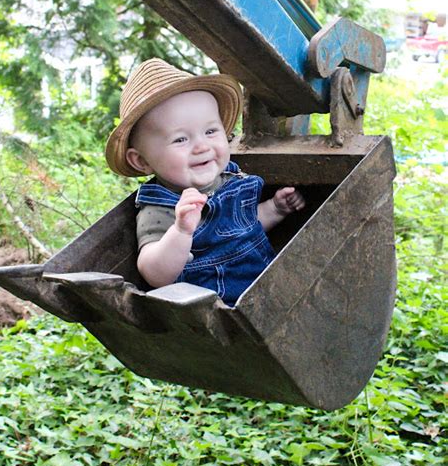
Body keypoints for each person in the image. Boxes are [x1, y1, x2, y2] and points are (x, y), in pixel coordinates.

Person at [106, 58, 305, 306]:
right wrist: (181, 231)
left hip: (267, 287)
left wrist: (274, 209)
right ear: (142, 161)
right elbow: (154, 274)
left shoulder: (229, 181)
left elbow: (243, 230)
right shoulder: (162, 207)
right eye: (180, 139)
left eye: (211, 131)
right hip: (218, 312)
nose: (202, 146)